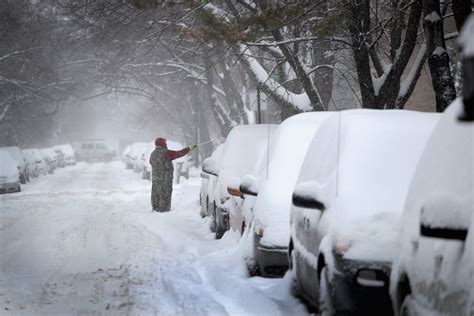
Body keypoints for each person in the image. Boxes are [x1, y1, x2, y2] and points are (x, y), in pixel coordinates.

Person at [149, 137, 196, 212]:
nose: (166, 144)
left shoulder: (153, 154)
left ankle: (155, 208)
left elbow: (151, 163)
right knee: (165, 195)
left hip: (155, 179)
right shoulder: (166, 153)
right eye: (165, 142)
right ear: (162, 144)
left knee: (156, 194)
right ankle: (163, 210)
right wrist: (189, 148)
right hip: (165, 179)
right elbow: (178, 154)